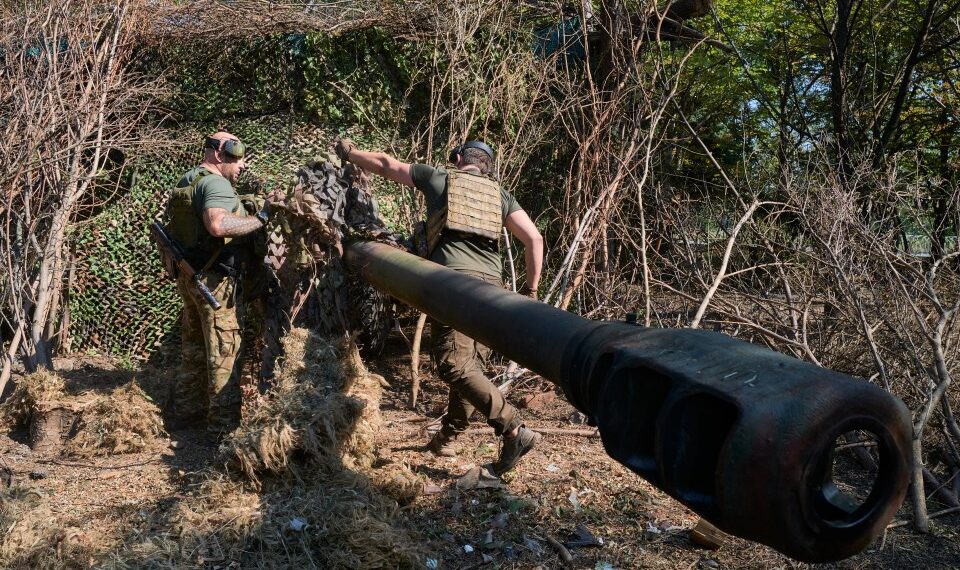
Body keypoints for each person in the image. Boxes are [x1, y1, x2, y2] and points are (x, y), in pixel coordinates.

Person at [335, 137, 545, 474]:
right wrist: (531, 291)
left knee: (454, 365)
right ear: (488, 164)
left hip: (455, 284)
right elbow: (534, 239)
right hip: (494, 288)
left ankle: (514, 429)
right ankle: (448, 438)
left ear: (459, 157)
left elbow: (388, 165)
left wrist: (350, 153)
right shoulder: (501, 194)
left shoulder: (441, 178)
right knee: (470, 364)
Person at [163, 131, 272, 439]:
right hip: (215, 282)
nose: (241, 164)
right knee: (225, 352)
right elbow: (218, 224)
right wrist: (260, 218)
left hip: (191, 277)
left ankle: (185, 416)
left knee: (195, 348)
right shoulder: (215, 183)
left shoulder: (189, 179)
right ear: (217, 154)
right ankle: (223, 430)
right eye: (235, 157)